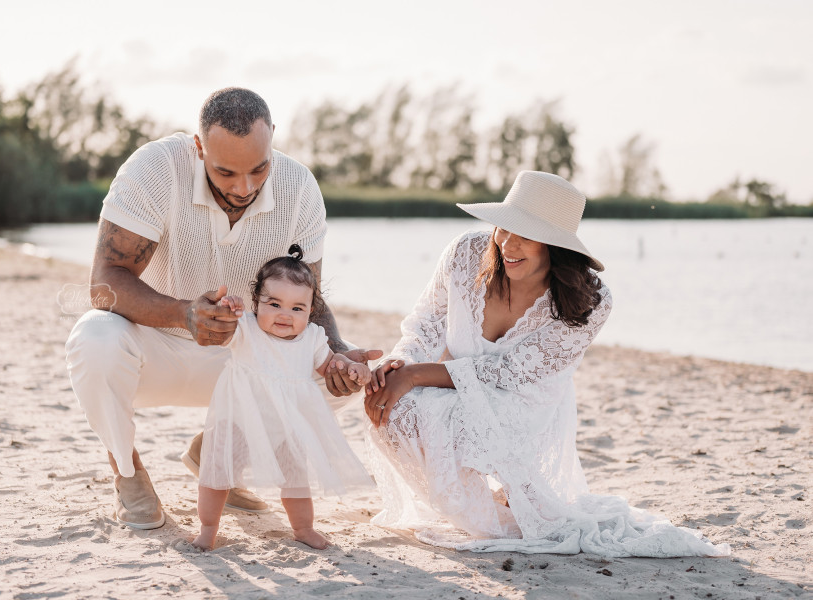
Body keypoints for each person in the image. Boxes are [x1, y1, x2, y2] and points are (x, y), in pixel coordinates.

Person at [364, 171, 730, 558]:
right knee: (390, 408)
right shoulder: (466, 253)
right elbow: (424, 323)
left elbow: (508, 374)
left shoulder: (590, 301)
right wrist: (396, 365)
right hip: (452, 382)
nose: (507, 243)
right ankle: (478, 510)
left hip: (523, 402)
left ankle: (495, 519)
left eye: (525, 233)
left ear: (557, 245)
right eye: (503, 228)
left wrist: (416, 375)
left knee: (445, 416)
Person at [64, 87, 381, 530]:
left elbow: (310, 300)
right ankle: (128, 472)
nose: (244, 187)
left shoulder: (299, 186)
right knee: (93, 337)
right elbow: (104, 283)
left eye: (258, 168)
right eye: (225, 172)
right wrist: (183, 314)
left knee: (333, 377)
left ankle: (218, 455)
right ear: (199, 148)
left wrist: (340, 349)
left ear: (273, 140)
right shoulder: (155, 169)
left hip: (245, 356)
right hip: (155, 347)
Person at [192, 246, 374, 550]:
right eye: (274, 303)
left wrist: (353, 367)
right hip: (239, 418)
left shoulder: (313, 338)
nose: (284, 315)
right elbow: (220, 331)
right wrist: (227, 308)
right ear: (256, 302)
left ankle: (303, 528)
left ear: (310, 311)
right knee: (217, 475)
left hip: (288, 424)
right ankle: (207, 529)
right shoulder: (246, 328)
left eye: (297, 308)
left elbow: (332, 365)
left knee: (296, 479)